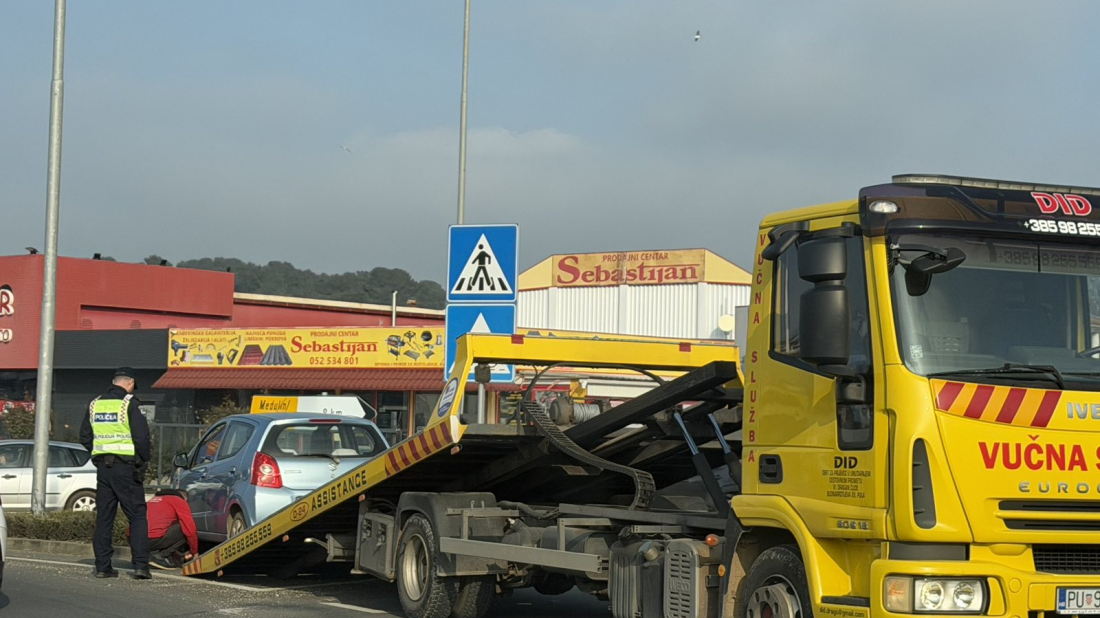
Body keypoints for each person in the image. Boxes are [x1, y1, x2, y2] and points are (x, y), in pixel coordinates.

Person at [79, 367, 152, 579]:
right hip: (127, 469)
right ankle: (140, 566)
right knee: (137, 515)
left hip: (103, 469)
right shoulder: (130, 403)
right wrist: (143, 460)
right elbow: (141, 438)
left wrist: (99, 451)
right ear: (130, 383)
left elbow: (84, 435)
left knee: (104, 517)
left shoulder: (95, 404)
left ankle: (102, 566)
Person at [144, 489, 198, 569]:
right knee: (183, 528)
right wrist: (194, 552)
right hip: (152, 539)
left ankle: (144, 555)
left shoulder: (152, 500)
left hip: (134, 540)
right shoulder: (178, 500)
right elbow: (190, 529)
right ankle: (159, 557)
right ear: (184, 497)